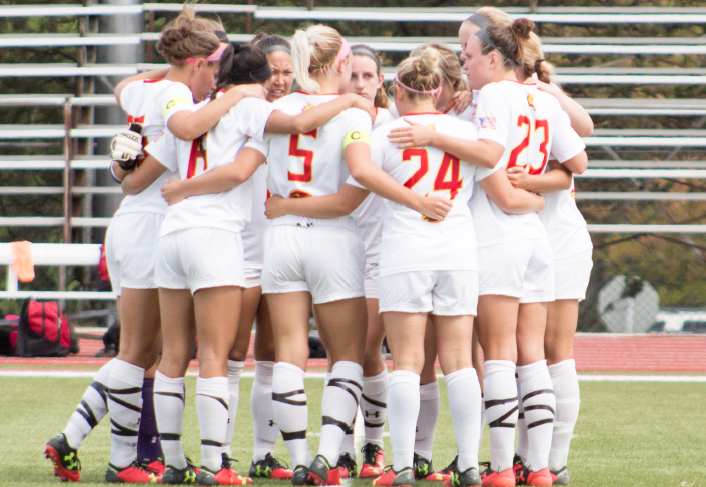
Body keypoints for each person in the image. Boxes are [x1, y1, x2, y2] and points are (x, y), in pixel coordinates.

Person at [122, 40, 378, 485]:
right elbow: (288, 130)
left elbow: (132, 181)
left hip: (172, 237)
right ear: (258, 80)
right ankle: (215, 465)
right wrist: (350, 100)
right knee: (218, 358)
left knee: (174, 355)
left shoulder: (197, 110)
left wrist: (125, 165)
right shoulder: (254, 109)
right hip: (219, 236)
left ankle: (175, 463)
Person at [44, 8, 260, 484]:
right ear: (200, 62)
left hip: (135, 224)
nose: (216, 80)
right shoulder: (179, 94)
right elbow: (183, 130)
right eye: (215, 65)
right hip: (155, 225)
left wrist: (182, 63)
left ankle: (126, 459)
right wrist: (240, 93)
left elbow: (130, 100)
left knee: (149, 353)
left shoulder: (147, 88)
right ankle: (77, 441)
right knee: (140, 352)